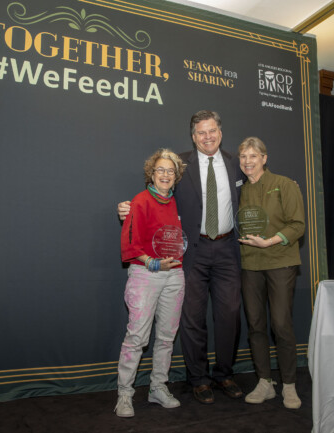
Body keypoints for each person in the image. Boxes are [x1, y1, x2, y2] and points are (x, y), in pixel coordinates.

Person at [118, 110, 246, 404]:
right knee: (191, 318)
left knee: (229, 315)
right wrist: (128, 208)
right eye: (201, 133)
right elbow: (157, 193)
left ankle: (225, 374)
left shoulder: (234, 164)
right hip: (192, 252)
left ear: (220, 132)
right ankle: (198, 378)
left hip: (227, 249)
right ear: (193, 136)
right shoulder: (180, 165)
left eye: (212, 130)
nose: (207, 137)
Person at [115, 149, 187, 417]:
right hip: (145, 274)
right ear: (151, 173)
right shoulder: (140, 201)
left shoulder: (181, 203)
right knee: (137, 338)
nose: (166, 175)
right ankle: (124, 394)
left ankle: (158, 387)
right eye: (161, 170)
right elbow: (130, 244)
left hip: (175, 275)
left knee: (167, 338)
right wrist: (152, 262)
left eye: (171, 171)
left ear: (176, 176)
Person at [236, 137, 305, 409]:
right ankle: (265, 382)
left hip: (279, 262)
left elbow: (297, 225)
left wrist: (270, 241)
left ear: (264, 158)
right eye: (243, 157)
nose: (248, 161)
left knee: (281, 324)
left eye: (253, 156)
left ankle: (289, 385)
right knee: (255, 325)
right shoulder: (239, 190)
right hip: (250, 264)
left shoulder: (285, 185)